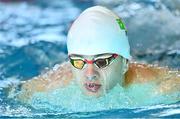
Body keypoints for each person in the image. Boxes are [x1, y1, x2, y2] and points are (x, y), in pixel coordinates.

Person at [9, 6, 180, 102]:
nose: (90, 75)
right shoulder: (42, 90)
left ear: (125, 63)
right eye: (78, 62)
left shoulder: (163, 87)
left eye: (102, 61)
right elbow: (14, 92)